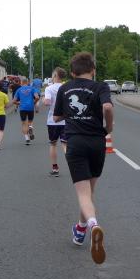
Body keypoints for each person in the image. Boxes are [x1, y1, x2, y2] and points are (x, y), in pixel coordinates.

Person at [53, 52, 113, 265]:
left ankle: (93, 225)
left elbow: (56, 117)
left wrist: (69, 114)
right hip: (97, 142)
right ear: (93, 70)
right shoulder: (100, 87)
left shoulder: (65, 88)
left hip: (76, 142)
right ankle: (80, 230)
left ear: (72, 72)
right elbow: (107, 107)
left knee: (83, 194)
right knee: (90, 192)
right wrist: (109, 127)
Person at [42, 67, 68, 176]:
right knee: (65, 144)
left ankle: (55, 168)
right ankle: (74, 167)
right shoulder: (67, 87)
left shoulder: (49, 88)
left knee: (53, 144)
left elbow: (47, 103)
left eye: (52, 75)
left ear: (56, 75)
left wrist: (43, 99)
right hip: (66, 120)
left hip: (53, 121)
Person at [12, 76, 40, 145]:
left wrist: (18, 103)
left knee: (24, 123)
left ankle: (27, 138)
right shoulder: (32, 88)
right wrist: (34, 103)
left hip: (22, 108)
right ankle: (30, 127)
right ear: (27, 82)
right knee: (30, 121)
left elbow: (14, 101)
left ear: (21, 82)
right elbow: (37, 97)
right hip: (30, 107)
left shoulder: (19, 90)